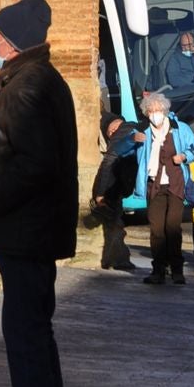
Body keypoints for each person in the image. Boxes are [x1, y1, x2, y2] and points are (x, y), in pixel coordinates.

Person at [0, 0, 77, 387]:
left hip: (26, 230)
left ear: (10, 41)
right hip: (32, 228)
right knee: (34, 328)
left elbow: (33, 164)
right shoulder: (38, 79)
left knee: (25, 331)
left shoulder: (28, 86)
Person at [134, 90, 194, 285]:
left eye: (158, 109)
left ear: (165, 110)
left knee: (173, 228)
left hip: (176, 184)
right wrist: (132, 140)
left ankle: (177, 270)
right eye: (151, 110)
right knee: (156, 230)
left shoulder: (181, 128)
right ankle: (158, 270)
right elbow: (126, 150)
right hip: (154, 186)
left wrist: (184, 156)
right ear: (146, 113)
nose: (155, 113)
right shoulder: (143, 131)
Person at [87, 112, 140, 272]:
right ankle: (117, 258)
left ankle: (117, 258)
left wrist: (100, 192)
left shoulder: (122, 131)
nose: (112, 134)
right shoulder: (128, 129)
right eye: (110, 132)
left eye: (113, 130)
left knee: (112, 221)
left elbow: (108, 162)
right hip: (115, 186)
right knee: (113, 221)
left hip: (112, 186)